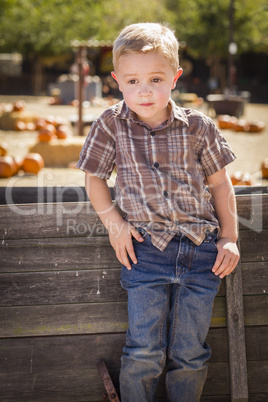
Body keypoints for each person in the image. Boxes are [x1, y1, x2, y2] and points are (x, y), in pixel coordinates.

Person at [77, 22, 240, 402]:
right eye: (132, 81)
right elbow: (95, 179)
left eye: (155, 78)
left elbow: (220, 185)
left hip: (202, 253)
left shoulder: (199, 127)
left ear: (175, 77)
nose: (144, 90)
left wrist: (230, 237)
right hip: (145, 252)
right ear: (117, 80)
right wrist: (114, 224)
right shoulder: (110, 124)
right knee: (144, 351)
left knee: (190, 353)